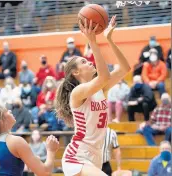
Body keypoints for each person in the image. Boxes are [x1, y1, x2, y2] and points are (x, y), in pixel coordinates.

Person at [55, 16, 130, 175]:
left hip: (95, 158)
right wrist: (93, 42)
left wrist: (109, 39)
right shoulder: (78, 93)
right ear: (76, 72)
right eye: (83, 62)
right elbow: (104, 77)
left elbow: (125, 68)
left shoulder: (100, 89)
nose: (89, 62)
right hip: (77, 156)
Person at [0, 101, 59, 176]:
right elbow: (45, 172)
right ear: (1, 121)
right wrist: (51, 151)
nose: (10, 111)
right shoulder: (15, 142)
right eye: (6, 111)